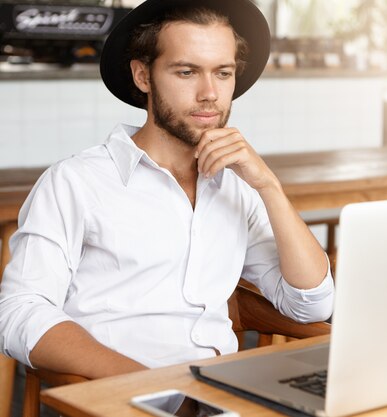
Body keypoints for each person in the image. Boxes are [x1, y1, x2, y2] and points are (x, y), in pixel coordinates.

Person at [0, 0, 334, 379]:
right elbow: (20, 311)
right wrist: (153, 387)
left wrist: (269, 186)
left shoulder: (239, 187)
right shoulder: (75, 182)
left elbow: (310, 304)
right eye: (187, 71)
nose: (210, 93)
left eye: (222, 73)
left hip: (220, 395)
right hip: (123, 400)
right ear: (143, 77)